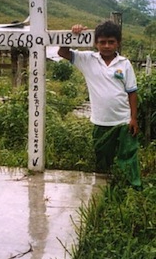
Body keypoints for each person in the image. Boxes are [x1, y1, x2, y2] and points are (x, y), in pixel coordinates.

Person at [58, 20, 142, 189]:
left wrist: (133, 118)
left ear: (118, 43)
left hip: (123, 121)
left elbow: (132, 92)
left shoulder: (124, 64)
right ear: (95, 43)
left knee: (128, 156)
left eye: (111, 42)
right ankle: (104, 190)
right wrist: (72, 34)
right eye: (102, 42)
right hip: (100, 121)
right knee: (103, 159)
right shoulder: (87, 59)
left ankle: (133, 189)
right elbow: (63, 52)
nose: (106, 46)